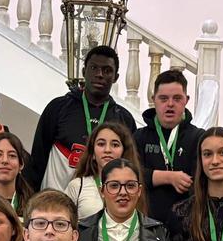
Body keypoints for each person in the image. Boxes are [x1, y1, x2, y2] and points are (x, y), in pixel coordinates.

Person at [29, 45, 137, 192]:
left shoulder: (124, 119)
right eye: (93, 68)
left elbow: (130, 168)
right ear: (84, 71)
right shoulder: (57, 108)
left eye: (107, 70)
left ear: (115, 77)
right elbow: (37, 159)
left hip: (101, 206)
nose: (99, 74)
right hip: (55, 203)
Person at [134, 69, 204, 223]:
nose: (170, 104)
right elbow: (131, 176)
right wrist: (168, 177)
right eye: (163, 98)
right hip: (146, 225)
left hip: (187, 226)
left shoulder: (199, 137)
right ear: (154, 100)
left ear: (186, 100)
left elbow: (200, 182)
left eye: (177, 98)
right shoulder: (139, 136)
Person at [65, 121, 140, 222]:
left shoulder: (134, 187)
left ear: (124, 151)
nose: (107, 150)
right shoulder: (77, 186)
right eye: (101, 144)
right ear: (93, 153)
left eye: (115, 145)